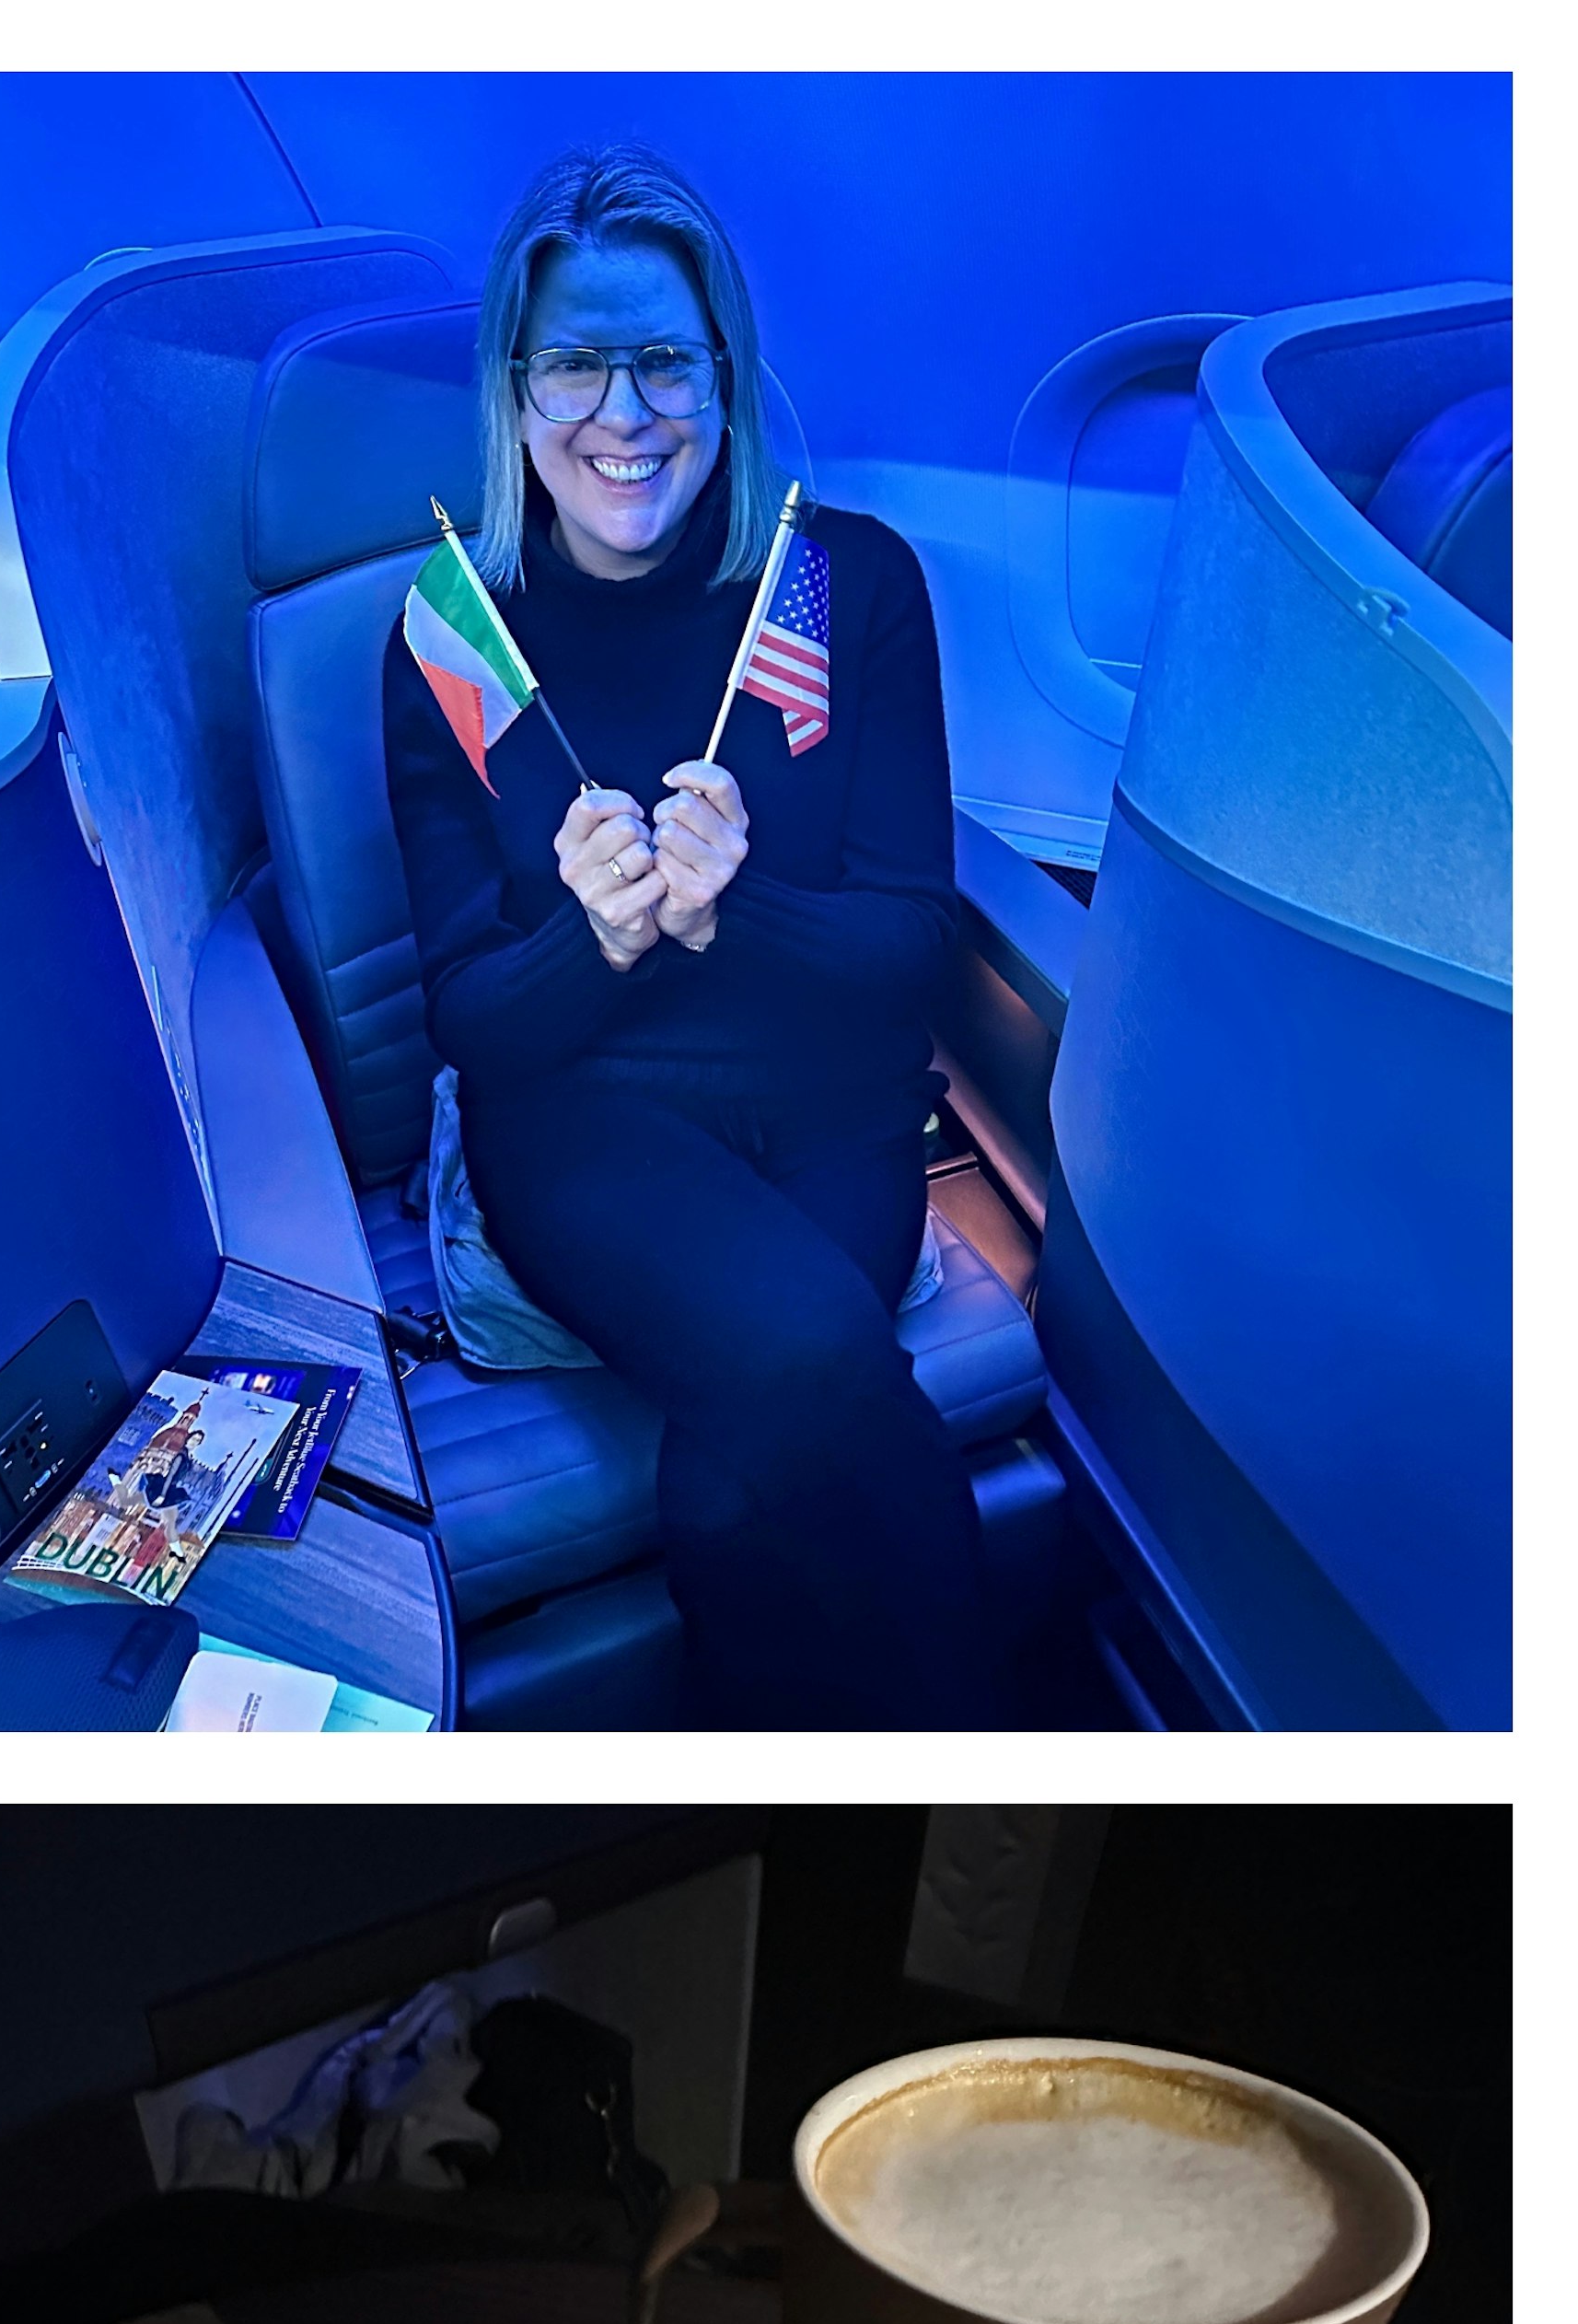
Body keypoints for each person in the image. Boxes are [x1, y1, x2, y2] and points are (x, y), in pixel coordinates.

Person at [386, 145, 994, 1726]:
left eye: (665, 359)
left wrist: (735, 917)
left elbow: (911, 948)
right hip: (586, 1122)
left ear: (723, 370)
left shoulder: (847, 584)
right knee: (803, 1355)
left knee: (730, 1501)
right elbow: (471, 1020)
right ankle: (993, 1750)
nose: (624, 412)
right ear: (517, 392)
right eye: (576, 363)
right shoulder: (453, 633)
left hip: (831, 1112)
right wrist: (596, 938)